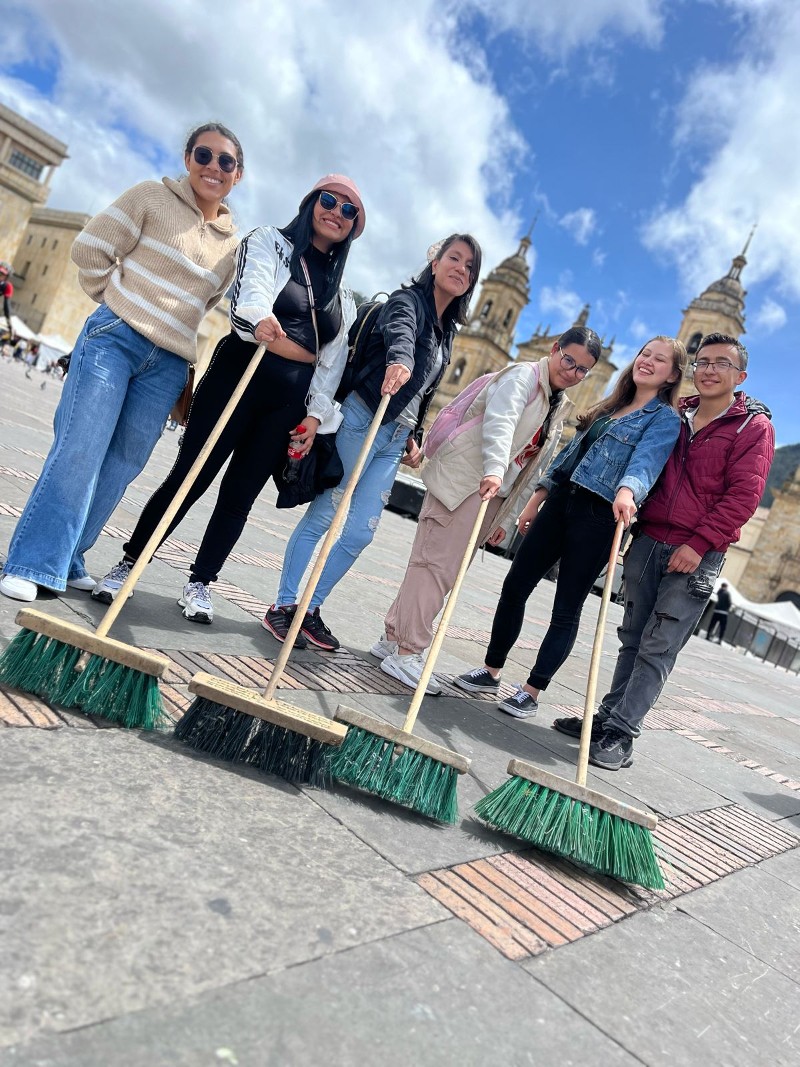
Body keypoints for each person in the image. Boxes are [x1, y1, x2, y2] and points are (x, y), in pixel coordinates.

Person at [92, 176, 364, 627]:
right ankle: (130, 562)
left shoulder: (343, 296)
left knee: (240, 494)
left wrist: (316, 415)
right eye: (329, 200)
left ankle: (202, 581)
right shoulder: (270, 243)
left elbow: (331, 363)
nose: (336, 212)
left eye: (349, 210)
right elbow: (252, 291)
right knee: (190, 476)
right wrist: (259, 319)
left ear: (353, 228)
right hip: (241, 371)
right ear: (312, 201)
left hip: (287, 400)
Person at [0, 123, 243, 603]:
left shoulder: (231, 246)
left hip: (169, 365)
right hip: (116, 340)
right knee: (80, 448)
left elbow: (209, 300)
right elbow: (90, 247)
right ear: (187, 157)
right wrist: (115, 305)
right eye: (203, 154)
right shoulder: (151, 197)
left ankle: (69, 556)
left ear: (238, 175)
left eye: (226, 161)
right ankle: (32, 561)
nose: (213, 166)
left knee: (122, 466)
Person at [552, 333, 774, 769]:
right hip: (649, 538)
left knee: (659, 645)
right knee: (631, 638)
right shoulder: (678, 413)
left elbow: (743, 498)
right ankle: (607, 718)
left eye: (721, 364)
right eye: (703, 361)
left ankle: (622, 733)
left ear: (740, 376)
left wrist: (699, 543)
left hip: (697, 550)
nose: (709, 369)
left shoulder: (753, 427)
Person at [263, 233, 482, 651]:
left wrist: (415, 434)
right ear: (435, 262)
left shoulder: (447, 331)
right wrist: (399, 358)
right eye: (454, 258)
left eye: (470, 267)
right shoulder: (407, 302)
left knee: (361, 532)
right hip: (363, 419)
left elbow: (426, 390)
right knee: (325, 515)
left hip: (394, 435)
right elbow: (401, 333)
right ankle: (284, 604)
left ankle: (309, 608)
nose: (461, 269)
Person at [455, 336, 688, 716]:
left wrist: (628, 491)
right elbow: (569, 455)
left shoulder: (665, 420)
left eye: (659, 360)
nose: (647, 361)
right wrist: (536, 499)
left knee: (566, 608)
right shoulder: (612, 404)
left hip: (602, 515)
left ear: (672, 375)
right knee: (515, 585)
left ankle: (531, 691)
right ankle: (491, 669)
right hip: (561, 501)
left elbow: (646, 462)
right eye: (644, 353)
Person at [373, 326, 602, 694]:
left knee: (430, 566)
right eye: (569, 360)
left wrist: (503, 516)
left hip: (487, 495)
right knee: (435, 569)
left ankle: (393, 638)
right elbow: (501, 423)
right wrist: (495, 469)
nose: (572, 372)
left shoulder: (555, 401)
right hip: (467, 483)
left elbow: (532, 465)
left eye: (582, 370)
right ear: (555, 349)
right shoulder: (523, 377)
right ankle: (407, 652)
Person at [0, 261, 13, 338]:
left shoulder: (7, 286)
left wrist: (9, 322)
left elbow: (6, 306)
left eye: (2, 274)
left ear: (6, 277)